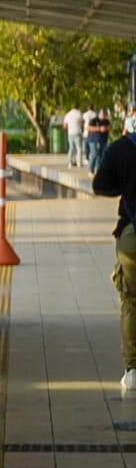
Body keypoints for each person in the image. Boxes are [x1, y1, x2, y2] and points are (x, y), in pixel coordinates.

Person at [94, 123, 136, 391]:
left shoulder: (120, 148)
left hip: (131, 233)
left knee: (131, 301)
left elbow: (100, 185)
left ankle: (133, 370)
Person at [88, 109, 112, 175]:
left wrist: (106, 129)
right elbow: (89, 128)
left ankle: (98, 170)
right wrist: (99, 129)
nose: (103, 115)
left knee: (101, 155)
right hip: (93, 140)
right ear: (99, 114)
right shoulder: (94, 120)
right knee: (94, 154)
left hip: (103, 140)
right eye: (102, 114)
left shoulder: (107, 121)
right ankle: (91, 170)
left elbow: (109, 128)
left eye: (104, 114)